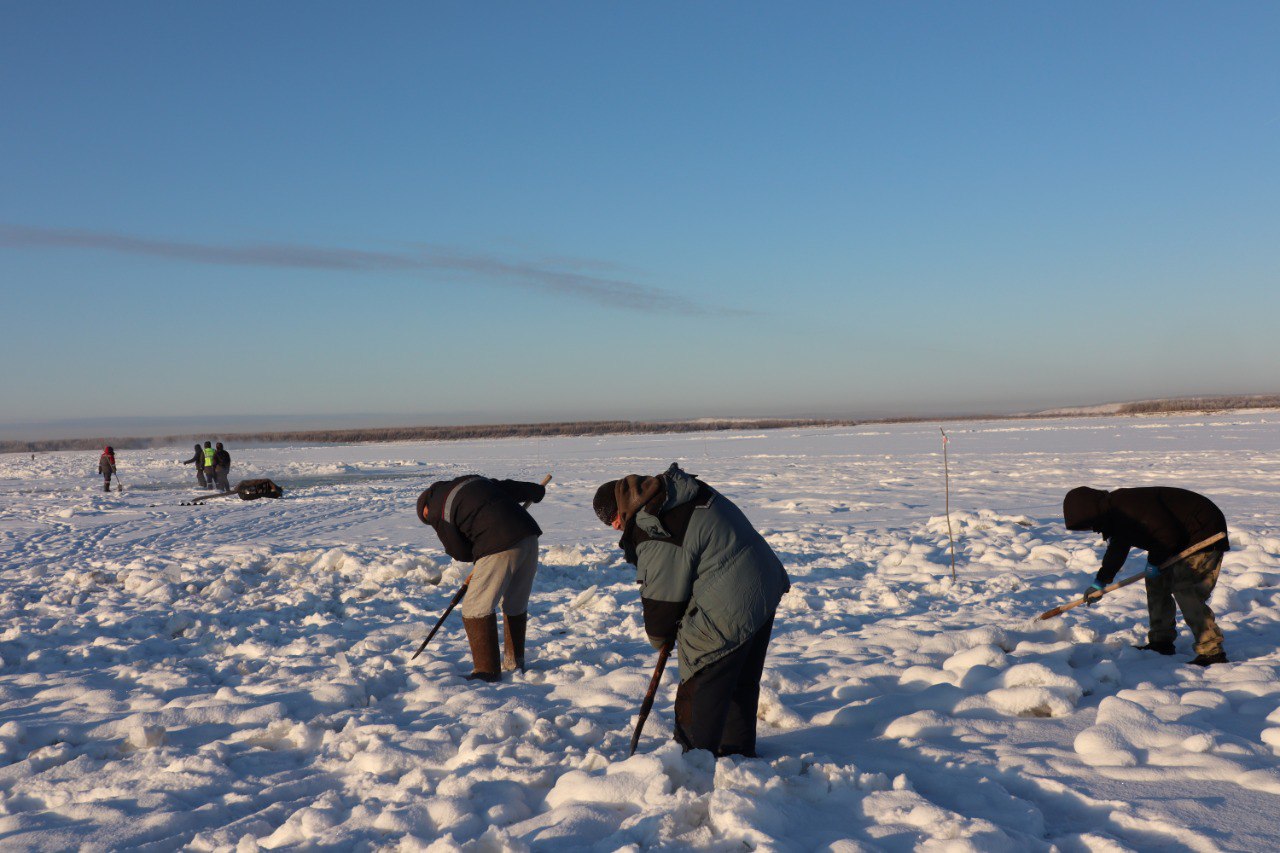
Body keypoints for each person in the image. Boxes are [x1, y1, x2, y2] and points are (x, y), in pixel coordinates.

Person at [593, 463, 790, 757]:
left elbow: (662, 603)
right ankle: (737, 757)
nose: (615, 529)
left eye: (613, 521)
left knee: (701, 680)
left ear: (621, 511)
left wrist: (661, 638)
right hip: (763, 584)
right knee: (739, 681)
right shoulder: (678, 493)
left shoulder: (653, 524)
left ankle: (693, 764)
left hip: (731, 599)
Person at [1064, 486, 1231, 667]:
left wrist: (1154, 562)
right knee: (1156, 584)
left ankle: (1212, 651)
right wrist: (1100, 582)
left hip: (1203, 531)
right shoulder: (1115, 515)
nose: (1091, 529)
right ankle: (1161, 641)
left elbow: (1167, 534)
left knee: (1186, 589)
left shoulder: (1128, 508)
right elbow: (1118, 549)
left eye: (1088, 524)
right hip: (1177, 537)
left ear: (1092, 511)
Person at [416, 475, 547, 682]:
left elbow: (457, 550)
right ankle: (514, 663)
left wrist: (479, 552)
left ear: (425, 507)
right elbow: (510, 487)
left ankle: (486, 672)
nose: (430, 521)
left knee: (475, 607)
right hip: (529, 536)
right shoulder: (472, 481)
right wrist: (535, 491)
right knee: (514, 603)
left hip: (499, 545)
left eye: (426, 518)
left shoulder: (436, 509)